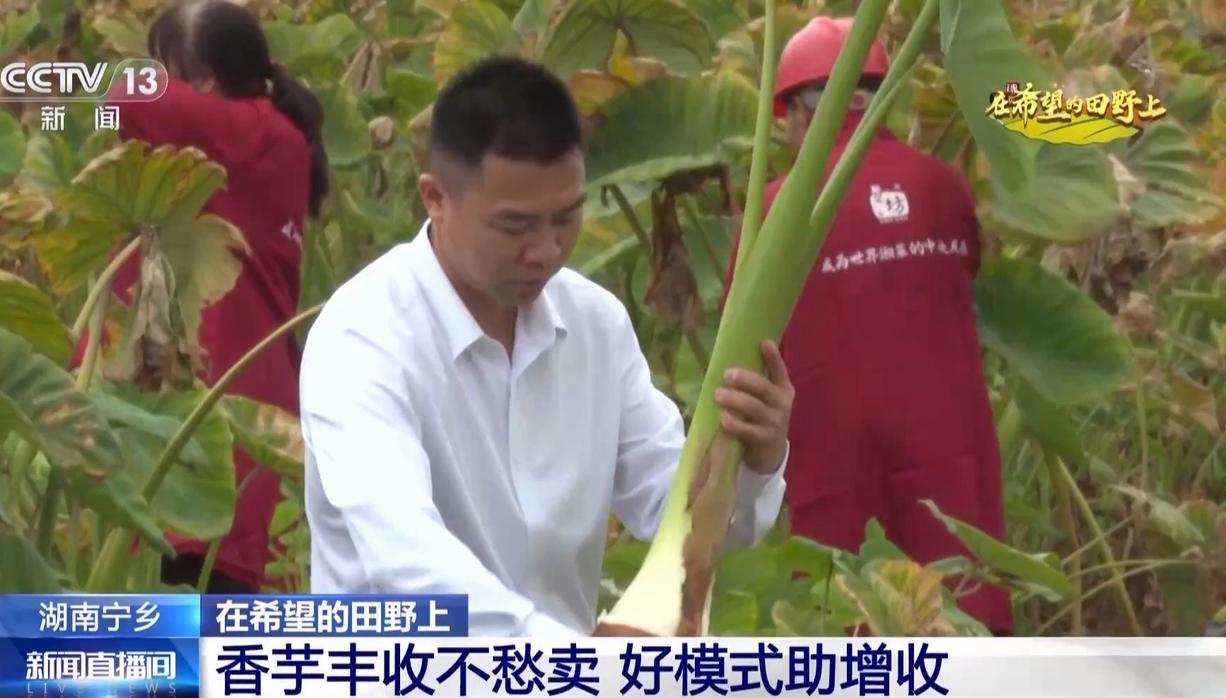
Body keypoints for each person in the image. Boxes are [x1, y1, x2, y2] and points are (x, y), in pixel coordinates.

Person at [298, 55, 793, 636]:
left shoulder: (595, 326)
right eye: (516, 226)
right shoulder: (363, 337)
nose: (547, 251)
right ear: (435, 197)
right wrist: (576, 661)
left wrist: (754, 461)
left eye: (566, 218)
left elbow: (675, 511)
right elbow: (408, 562)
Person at [724, 16, 1013, 634]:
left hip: (837, 463)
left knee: (848, 618)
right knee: (960, 609)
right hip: (947, 450)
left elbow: (738, 335)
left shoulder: (778, 209)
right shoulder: (942, 186)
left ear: (799, 113)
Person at [80, 0, 329, 592]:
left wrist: (33, 80)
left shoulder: (260, 135)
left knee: (206, 614)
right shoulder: (250, 139)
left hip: (222, 407)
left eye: (164, 70)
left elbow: (127, 96)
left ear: (206, 84)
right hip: (199, 402)